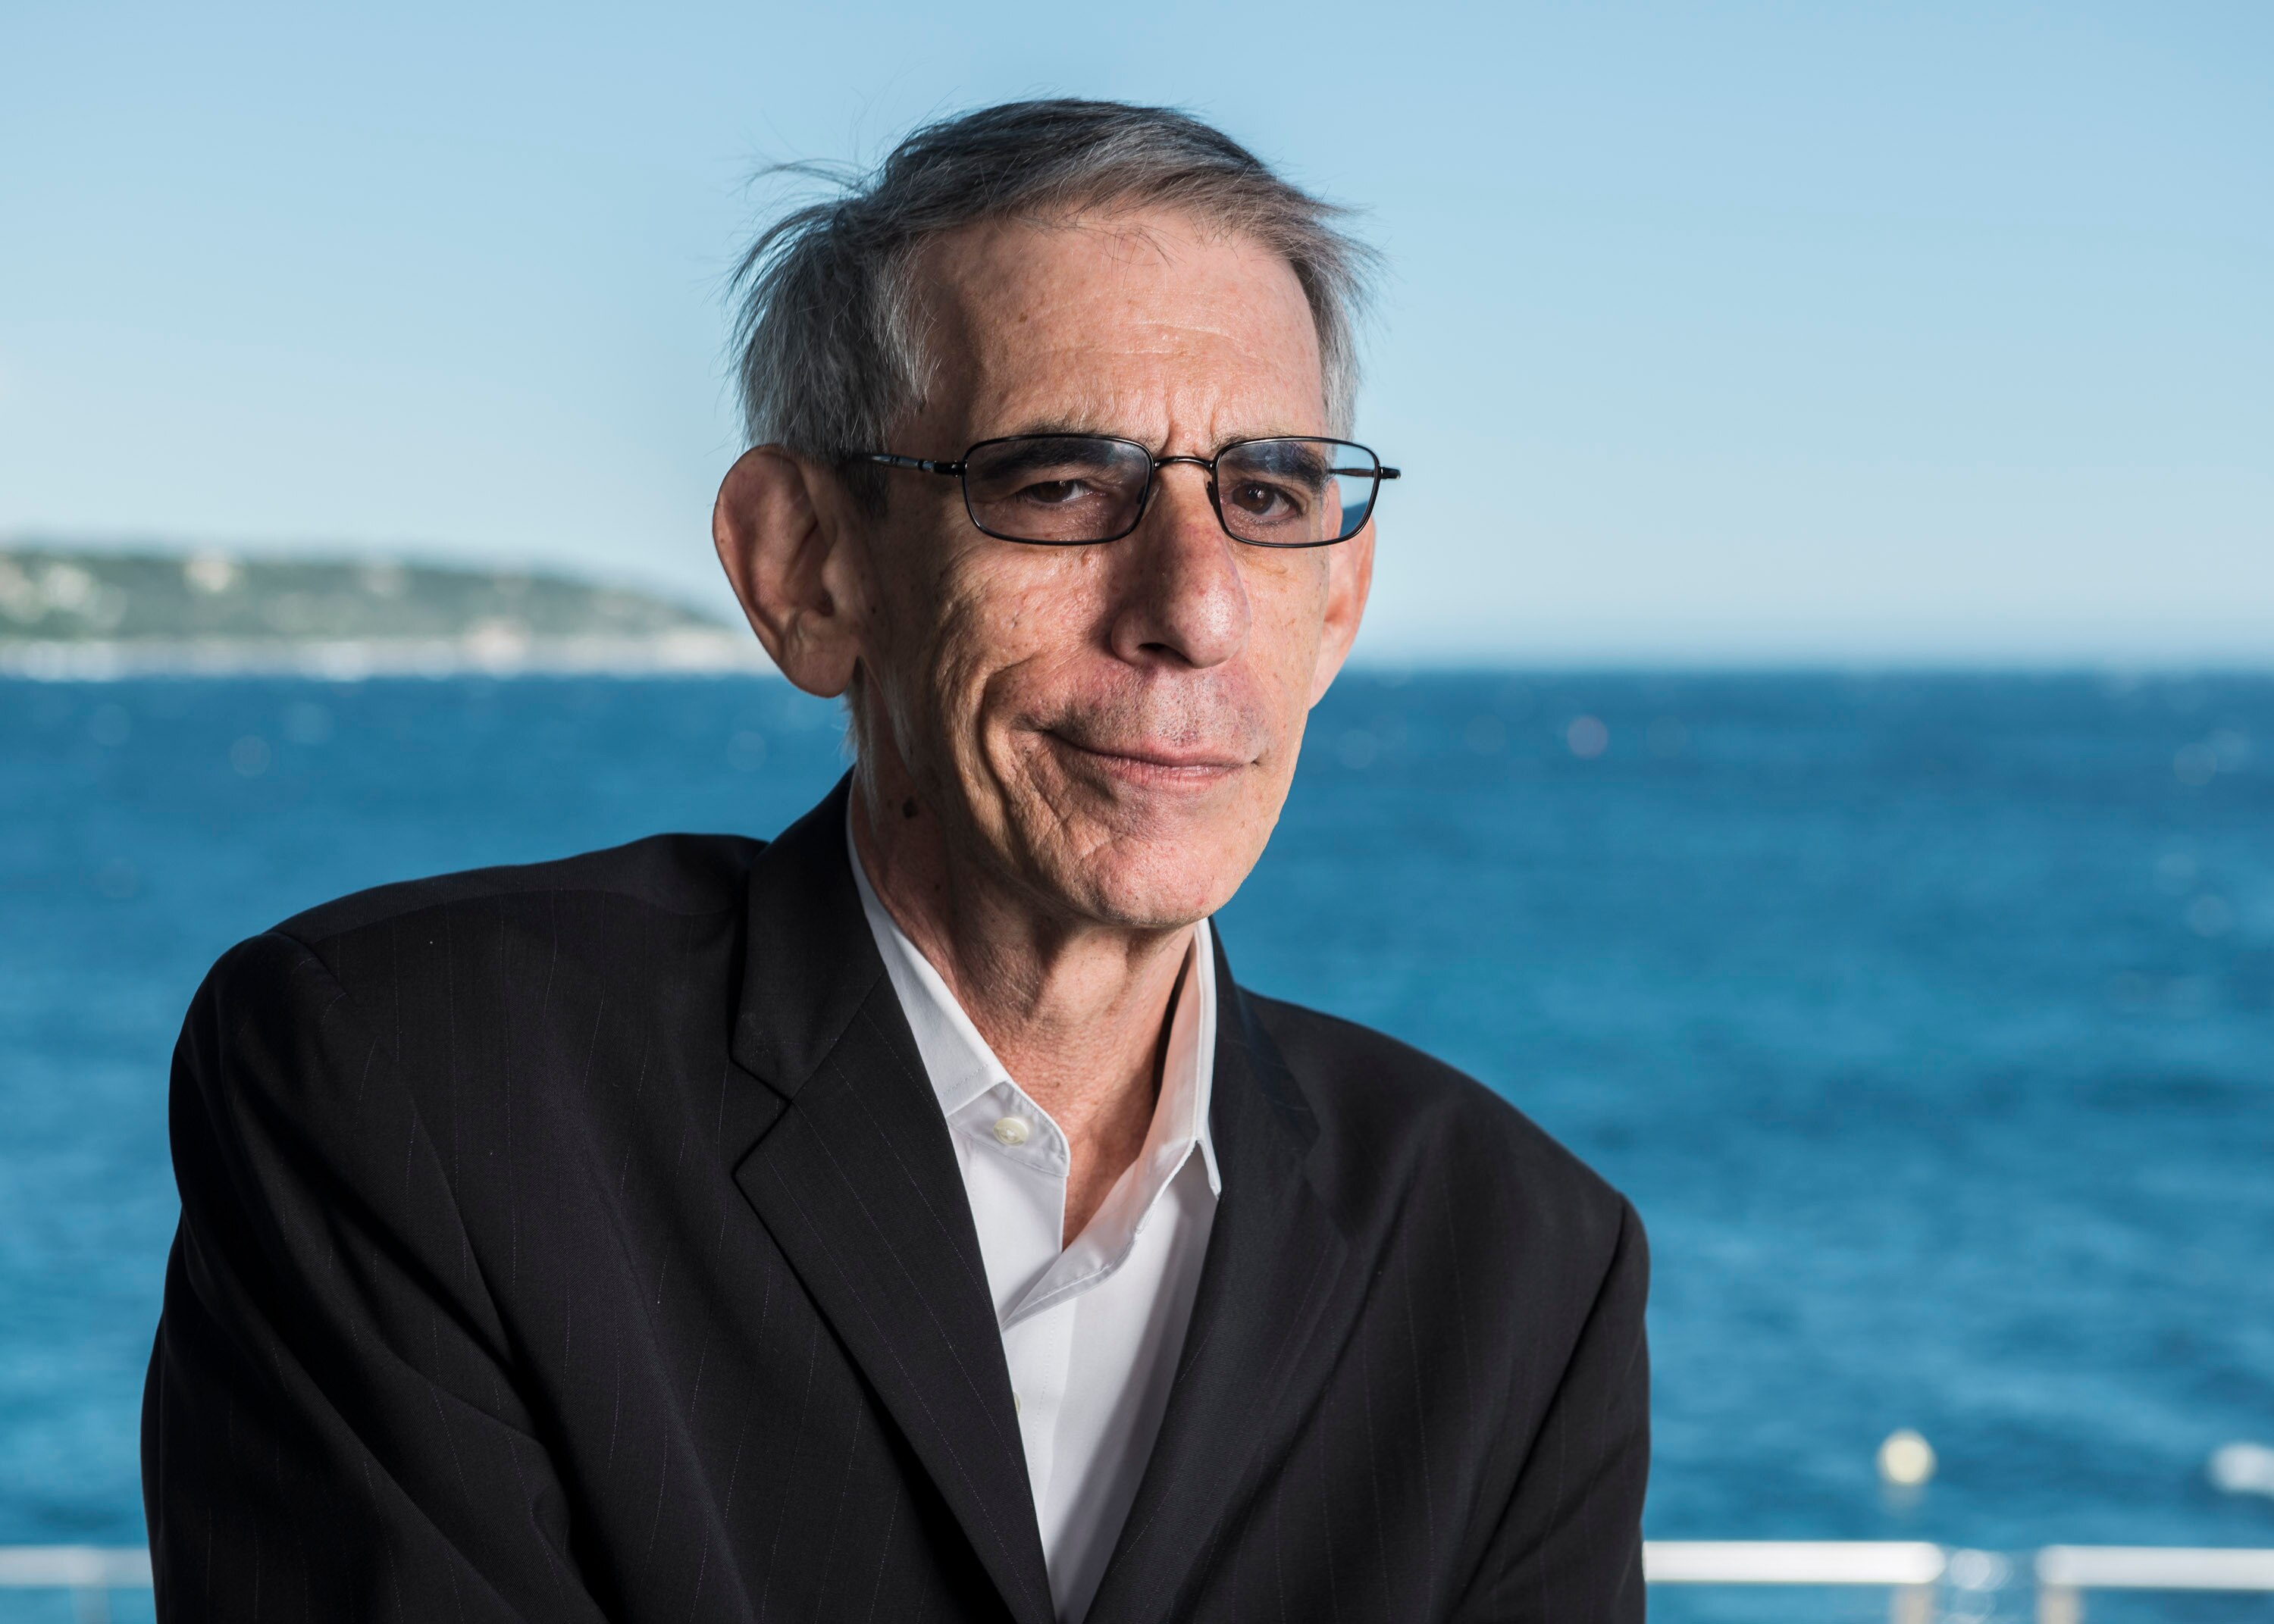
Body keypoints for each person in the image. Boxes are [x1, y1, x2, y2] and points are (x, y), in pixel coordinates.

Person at [143, 99, 1648, 1622]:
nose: (1192, 609)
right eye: (1061, 484)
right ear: (806, 570)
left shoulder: (1520, 1264)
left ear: (1340, 599)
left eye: (1265, 496)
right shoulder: (416, 1084)